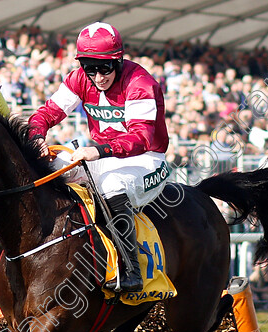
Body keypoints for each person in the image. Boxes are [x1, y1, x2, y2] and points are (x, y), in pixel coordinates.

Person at [28, 22, 170, 292]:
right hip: (103, 157)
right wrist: (37, 136)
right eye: (89, 68)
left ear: (119, 60)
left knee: (112, 185)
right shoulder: (79, 78)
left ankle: (131, 269)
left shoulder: (140, 83)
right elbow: (46, 113)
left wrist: (99, 150)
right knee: (47, 170)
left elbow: (141, 138)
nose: (98, 76)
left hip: (146, 159)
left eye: (104, 67)